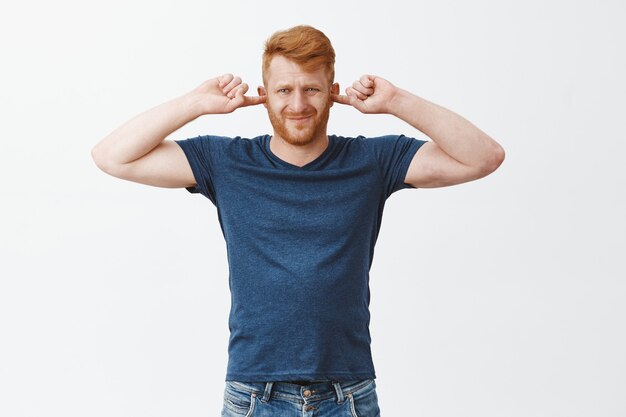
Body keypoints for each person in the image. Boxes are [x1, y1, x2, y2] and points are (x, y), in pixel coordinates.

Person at [92, 24, 504, 417]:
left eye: (311, 89)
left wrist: (396, 102)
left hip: (348, 395)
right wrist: (194, 104)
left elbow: (484, 157)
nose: (298, 104)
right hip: (254, 394)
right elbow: (112, 156)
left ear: (333, 93)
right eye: (284, 90)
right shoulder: (226, 162)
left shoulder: (372, 161)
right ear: (264, 95)